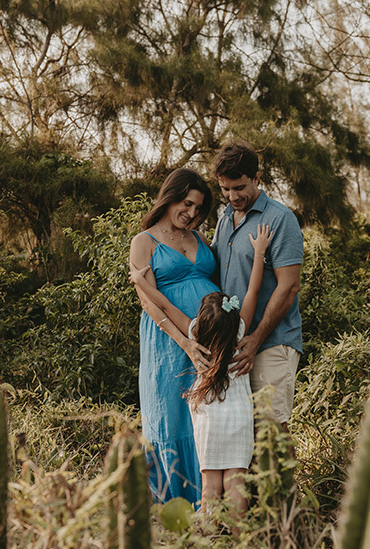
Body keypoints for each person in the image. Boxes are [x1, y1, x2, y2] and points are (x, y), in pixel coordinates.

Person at [133, 225, 272, 515]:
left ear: (201, 319)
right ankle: (239, 541)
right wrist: (259, 254)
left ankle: (208, 540)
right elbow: (253, 292)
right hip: (239, 419)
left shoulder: (195, 334)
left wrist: (141, 282)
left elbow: (165, 305)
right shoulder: (240, 333)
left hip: (209, 419)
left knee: (209, 488)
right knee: (236, 484)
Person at [128, 168, 217, 503]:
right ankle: (173, 503)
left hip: (207, 340)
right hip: (168, 341)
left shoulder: (199, 239)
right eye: (188, 204)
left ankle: (210, 503)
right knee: (171, 414)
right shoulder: (144, 241)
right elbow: (148, 302)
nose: (192, 213)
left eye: (198, 209)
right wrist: (185, 343)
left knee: (207, 414)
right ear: (171, 196)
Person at [211, 141, 303, 431]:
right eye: (225, 189)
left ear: (256, 178)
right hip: (234, 344)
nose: (232, 196)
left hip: (271, 343)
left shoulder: (280, 219)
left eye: (239, 187)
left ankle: (284, 481)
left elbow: (288, 286)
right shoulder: (224, 218)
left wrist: (256, 338)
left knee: (272, 433)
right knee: (242, 437)